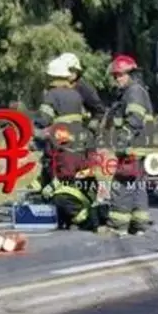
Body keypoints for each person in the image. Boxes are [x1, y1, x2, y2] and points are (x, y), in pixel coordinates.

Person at [34, 57, 97, 231]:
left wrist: (34, 130)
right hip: (79, 147)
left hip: (60, 149)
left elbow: (43, 119)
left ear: (52, 76)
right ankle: (72, 215)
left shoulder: (52, 95)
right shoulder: (76, 95)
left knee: (56, 183)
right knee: (73, 179)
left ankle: (73, 217)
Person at [104, 54, 153, 235]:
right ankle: (139, 225)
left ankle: (118, 226)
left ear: (130, 74)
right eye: (115, 76)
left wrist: (121, 141)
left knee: (122, 184)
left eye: (120, 75)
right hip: (139, 147)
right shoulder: (134, 91)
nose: (117, 79)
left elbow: (134, 119)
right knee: (137, 185)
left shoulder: (133, 92)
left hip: (131, 147)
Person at [57, 52, 105, 126]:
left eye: (72, 70)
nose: (69, 73)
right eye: (67, 70)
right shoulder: (56, 86)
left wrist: (93, 123)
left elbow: (99, 110)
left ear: (77, 71)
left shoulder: (84, 88)